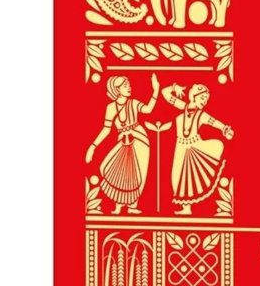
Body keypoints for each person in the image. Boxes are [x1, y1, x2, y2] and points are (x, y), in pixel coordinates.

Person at [86, 74, 160, 214]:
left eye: (129, 85)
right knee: (112, 168)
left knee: (137, 174)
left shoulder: (134, 103)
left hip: (139, 139)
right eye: (125, 86)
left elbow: (148, 110)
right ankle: (118, 206)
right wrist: (93, 147)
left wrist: (156, 90)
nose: (129, 88)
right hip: (123, 140)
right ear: (117, 89)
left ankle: (132, 206)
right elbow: (106, 129)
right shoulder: (110, 107)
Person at [161, 82, 234, 215]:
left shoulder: (201, 115)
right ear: (194, 96)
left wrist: (225, 129)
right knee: (176, 177)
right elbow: (165, 93)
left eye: (206, 99)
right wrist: (175, 88)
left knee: (191, 177)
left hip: (194, 146)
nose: (205, 102)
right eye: (202, 98)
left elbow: (214, 122)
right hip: (180, 147)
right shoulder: (182, 106)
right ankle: (185, 208)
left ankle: (187, 209)